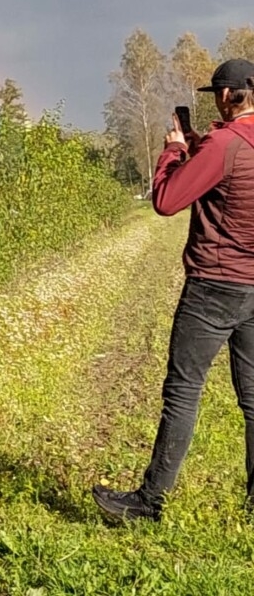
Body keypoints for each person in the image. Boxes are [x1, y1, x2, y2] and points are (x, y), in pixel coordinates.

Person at [94, 58, 254, 523]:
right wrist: (198, 146)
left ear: (225, 96)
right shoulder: (229, 143)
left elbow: (166, 200)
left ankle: (148, 502)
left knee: (183, 392)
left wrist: (172, 150)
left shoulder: (223, 144)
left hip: (213, 287)